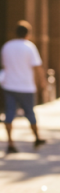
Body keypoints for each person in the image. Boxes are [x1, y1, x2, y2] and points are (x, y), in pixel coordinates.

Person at [1, 21, 47, 154]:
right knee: (30, 113)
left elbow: (5, 66)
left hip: (9, 85)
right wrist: (42, 82)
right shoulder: (29, 47)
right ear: (28, 34)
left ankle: (10, 142)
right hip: (26, 86)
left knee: (9, 113)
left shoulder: (7, 46)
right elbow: (37, 67)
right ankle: (37, 138)